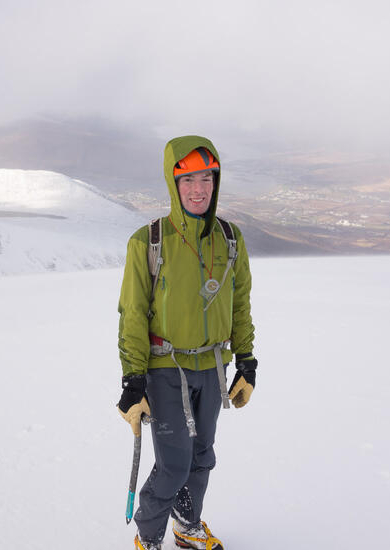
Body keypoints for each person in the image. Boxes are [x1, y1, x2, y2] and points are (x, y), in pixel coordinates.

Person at [117, 135, 257, 550]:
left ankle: (187, 524)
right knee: (175, 464)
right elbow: (132, 315)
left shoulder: (230, 239)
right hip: (164, 368)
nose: (199, 189)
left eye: (207, 179)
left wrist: (246, 361)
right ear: (173, 184)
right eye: (188, 179)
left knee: (201, 457)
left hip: (214, 367)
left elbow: (240, 304)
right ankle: (148, 536)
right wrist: (133, 382)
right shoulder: (148, 242)